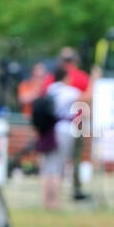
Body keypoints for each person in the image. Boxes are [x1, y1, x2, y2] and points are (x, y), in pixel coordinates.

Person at [40, 65, 81, 210]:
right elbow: (86, 97)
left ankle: (46, 201)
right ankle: (55, 202)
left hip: (48, 130)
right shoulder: (68, 91)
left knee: (48, 166)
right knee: (58, 167)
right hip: (64, 128)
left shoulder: (50, 90)